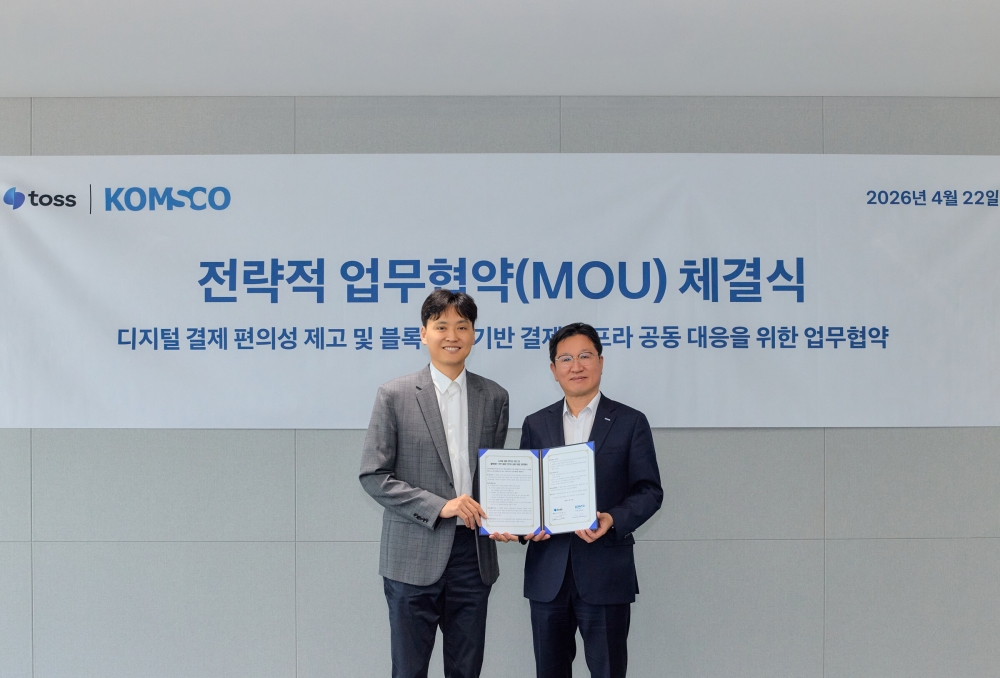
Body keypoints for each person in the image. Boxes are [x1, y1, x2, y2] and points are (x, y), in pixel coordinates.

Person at [359, 289, 511, 678]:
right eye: (441, 326)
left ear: (474, 333)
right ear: (424, 334)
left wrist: (511, 516)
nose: (452, 335)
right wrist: (440, 506)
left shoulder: (495, 397)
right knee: (409, 670)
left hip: (472, 556)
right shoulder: (394, 395)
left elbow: (494, 476)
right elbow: (374, 475)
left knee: (466, 670)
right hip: (412, 554)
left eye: (462, 326)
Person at [519, 322, 663, 678]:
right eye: (565, 359)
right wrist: (524, 527)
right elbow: (525, 493)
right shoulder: (536, 424)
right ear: (553, 369)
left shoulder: (630, 421)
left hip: (605, 572)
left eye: (585, 356)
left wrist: (612, 519)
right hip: (548, 574)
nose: (576, 366)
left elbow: (649, 490)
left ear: (600, 361)